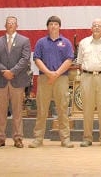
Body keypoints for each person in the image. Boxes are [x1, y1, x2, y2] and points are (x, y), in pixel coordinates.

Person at [29, 16, 75, 148]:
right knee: (42, 110)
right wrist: (49, 73)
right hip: (45, 78)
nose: (53, 26)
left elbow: (69, 60)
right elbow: (37, 59)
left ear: (59, 26)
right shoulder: (41, 42)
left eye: (56, 24)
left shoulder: (65, 42)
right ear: (47, 27)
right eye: (51, 24)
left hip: (61, 78)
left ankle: (65, 139)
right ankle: (38, 139)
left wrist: (56, 73)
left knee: (63, 109)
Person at [0, 16, 32, 148]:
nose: (11, 25)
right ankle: (0, 137)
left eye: (13, 23)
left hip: (17, 80)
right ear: (5, 25)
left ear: (17, 26)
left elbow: (25, 59)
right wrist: (4, 71)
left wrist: (12, 72)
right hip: (2, 80)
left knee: (17, 111)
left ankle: (18, 138)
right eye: (8, 23)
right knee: (1, 110)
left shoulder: (24, 41)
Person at [76, 19, 101, 147]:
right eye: (94, 25)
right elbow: (80, 63)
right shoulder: (83, 43)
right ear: (91, 28)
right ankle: (87, 137)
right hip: (87, 77)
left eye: (99, 26)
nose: (97, 27)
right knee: (87, 108)